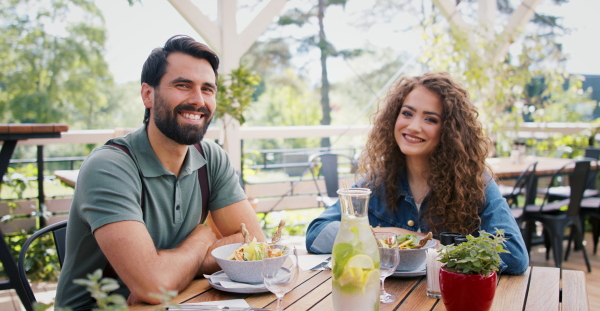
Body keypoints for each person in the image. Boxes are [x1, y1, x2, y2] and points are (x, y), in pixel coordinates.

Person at [55, 35, 266, 308]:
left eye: (208, 89)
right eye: (183, 85)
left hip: (179, 301)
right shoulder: (109, 167)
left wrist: (172, 269)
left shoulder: (211, 158)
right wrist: (203, 237)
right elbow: (154, 288)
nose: (198, 100)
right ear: (148, 94)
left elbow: (254, 244)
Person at [305, 72, 528, 275]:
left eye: (430, 119)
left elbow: (515, 256)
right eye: (407, 113)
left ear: (450, 131)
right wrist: (389, 235)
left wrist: (434, 247)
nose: (413, 126)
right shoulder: (376, 184)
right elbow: (317, 233)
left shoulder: (476, 184)